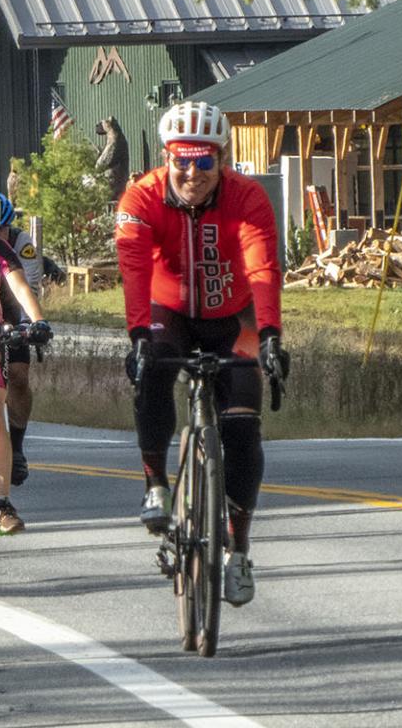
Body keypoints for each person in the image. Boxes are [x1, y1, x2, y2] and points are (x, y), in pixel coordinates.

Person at [116, 100, 289, 608]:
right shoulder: (141, 195)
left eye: (205, 162)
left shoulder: (248, 198)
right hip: (167, 310)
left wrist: (273, 334)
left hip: (233, 319)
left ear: (223, 161)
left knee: (242, 425)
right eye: (182, 161)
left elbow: (262, 268)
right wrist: (137, 337)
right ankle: (156, 484)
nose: (192, 173)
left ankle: (238, 551)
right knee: (152, 373)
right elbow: (133, 270)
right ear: (167, 158)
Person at [0, 192, 53, 535]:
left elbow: (25, 287)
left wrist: (36, 321)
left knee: (6, 393)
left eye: (0, 229)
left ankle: (2, 498)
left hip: (6, 318)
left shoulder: (13, 246)